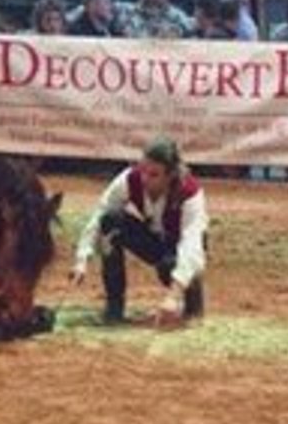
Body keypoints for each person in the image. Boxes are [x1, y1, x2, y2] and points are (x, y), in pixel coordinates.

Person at [69, 135, 209, 326]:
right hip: (153, 239)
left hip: (179, 248)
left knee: (170, 266)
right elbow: (99, 213)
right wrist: (82, 259)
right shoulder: (129, 179)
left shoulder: (189, 192)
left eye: (154, 175)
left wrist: (173, 296)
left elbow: (191, 244)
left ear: (170, 175)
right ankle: (114, 307)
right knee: (111, 221)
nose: (144, 179)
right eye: (143, 170)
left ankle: (193, 307)